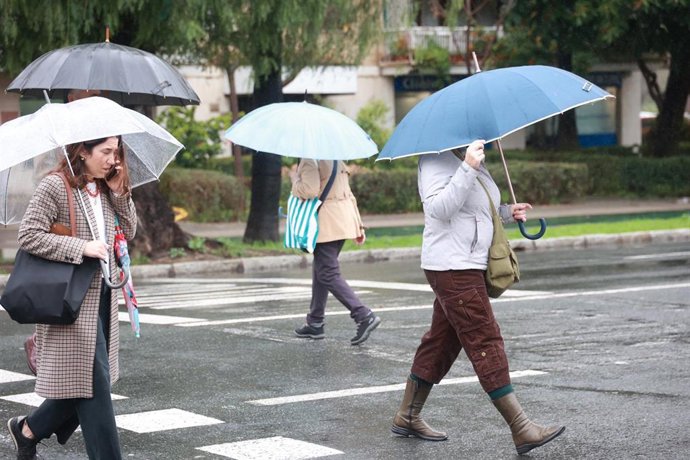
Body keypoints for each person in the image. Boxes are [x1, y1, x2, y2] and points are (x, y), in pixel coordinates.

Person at [390, 140, 564, 455]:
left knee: (442, 341)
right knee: (485, 339)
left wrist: (508, 212)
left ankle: (407, 415)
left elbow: (474, 209)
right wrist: (468, 167)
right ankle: (522, 428)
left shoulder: (465, 156)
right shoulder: (436, 158)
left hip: (467, 263)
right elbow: (439, 208)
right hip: (452, 265)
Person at [7, 136, 136, 460]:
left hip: (103, 295)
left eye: (116, 151)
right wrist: (81, 247)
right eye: (106, 151)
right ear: (82, 151)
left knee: (83, 382)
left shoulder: (106, 187)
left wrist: (120, 191)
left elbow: (129, 231)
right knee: (94, 384)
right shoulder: (55, 185)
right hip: (70, 298)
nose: (113, 159)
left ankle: (28, 430)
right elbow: (30, 235)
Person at [291, 159, 381, 345]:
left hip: (326, 223)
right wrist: (358, 225)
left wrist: (295, 182)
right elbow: (349, 194)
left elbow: (309, 190)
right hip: (342, 221)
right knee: (321, 270)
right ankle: (315, 322)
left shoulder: (309, 159)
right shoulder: (334, 158)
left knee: (327, 272)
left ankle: (363, 315)